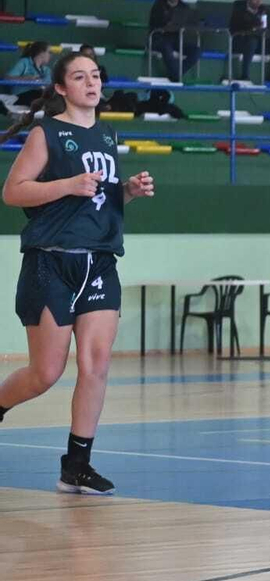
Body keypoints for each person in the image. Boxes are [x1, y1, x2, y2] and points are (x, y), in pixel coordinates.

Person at [0, 53, 156, 495]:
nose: (91, 82)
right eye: (79, 76)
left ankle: (77, 465)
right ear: (61, 88)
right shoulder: (46, 133)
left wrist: (128, 191)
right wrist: (67, 185)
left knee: (96, 364)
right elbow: (12, 192)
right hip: (51, 262)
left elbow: (99, 200)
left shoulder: (107, 134)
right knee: (45, 373)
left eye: (95, 76)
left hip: (100, 261)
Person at [227, 0, 270, 83]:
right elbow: (240, 25)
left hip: (259, 40)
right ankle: (245, 75)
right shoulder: (239, 8)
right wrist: (254, 24)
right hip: (241, 41)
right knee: (252, 42)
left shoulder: (263, 10)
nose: (259, 1)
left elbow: (267, 26)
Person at [147, 0, 198, 82]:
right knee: (167, 48)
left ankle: (176, 74)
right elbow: (154, 22)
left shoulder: (183, 7)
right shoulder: (159, 3)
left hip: (175, 39)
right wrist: (166, 25)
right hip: (158, 37)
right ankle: (176, 76)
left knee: (196, 50)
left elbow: (188, 22)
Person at [7, 41, 52, 107]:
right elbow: (8, 78)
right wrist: (26, 78)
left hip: (38, 95)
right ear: (41, 53)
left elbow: (48, 86)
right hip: (20, 95)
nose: (51, 55)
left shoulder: (47, 70)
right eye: (49, 52)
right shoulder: (24, 62)